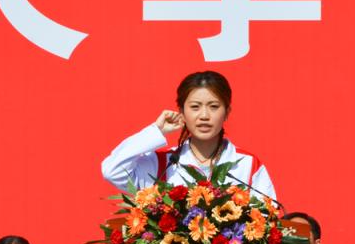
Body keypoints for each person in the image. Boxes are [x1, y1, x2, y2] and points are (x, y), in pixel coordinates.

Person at [101, 71, 276, 200]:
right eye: (195, 107)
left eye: (214, 107)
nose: (204, 115)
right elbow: (113, 171)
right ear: (182, 112)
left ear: (227, 112)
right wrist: (156, 131)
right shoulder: (161, 163)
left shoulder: (247, 163)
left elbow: (269, 219)